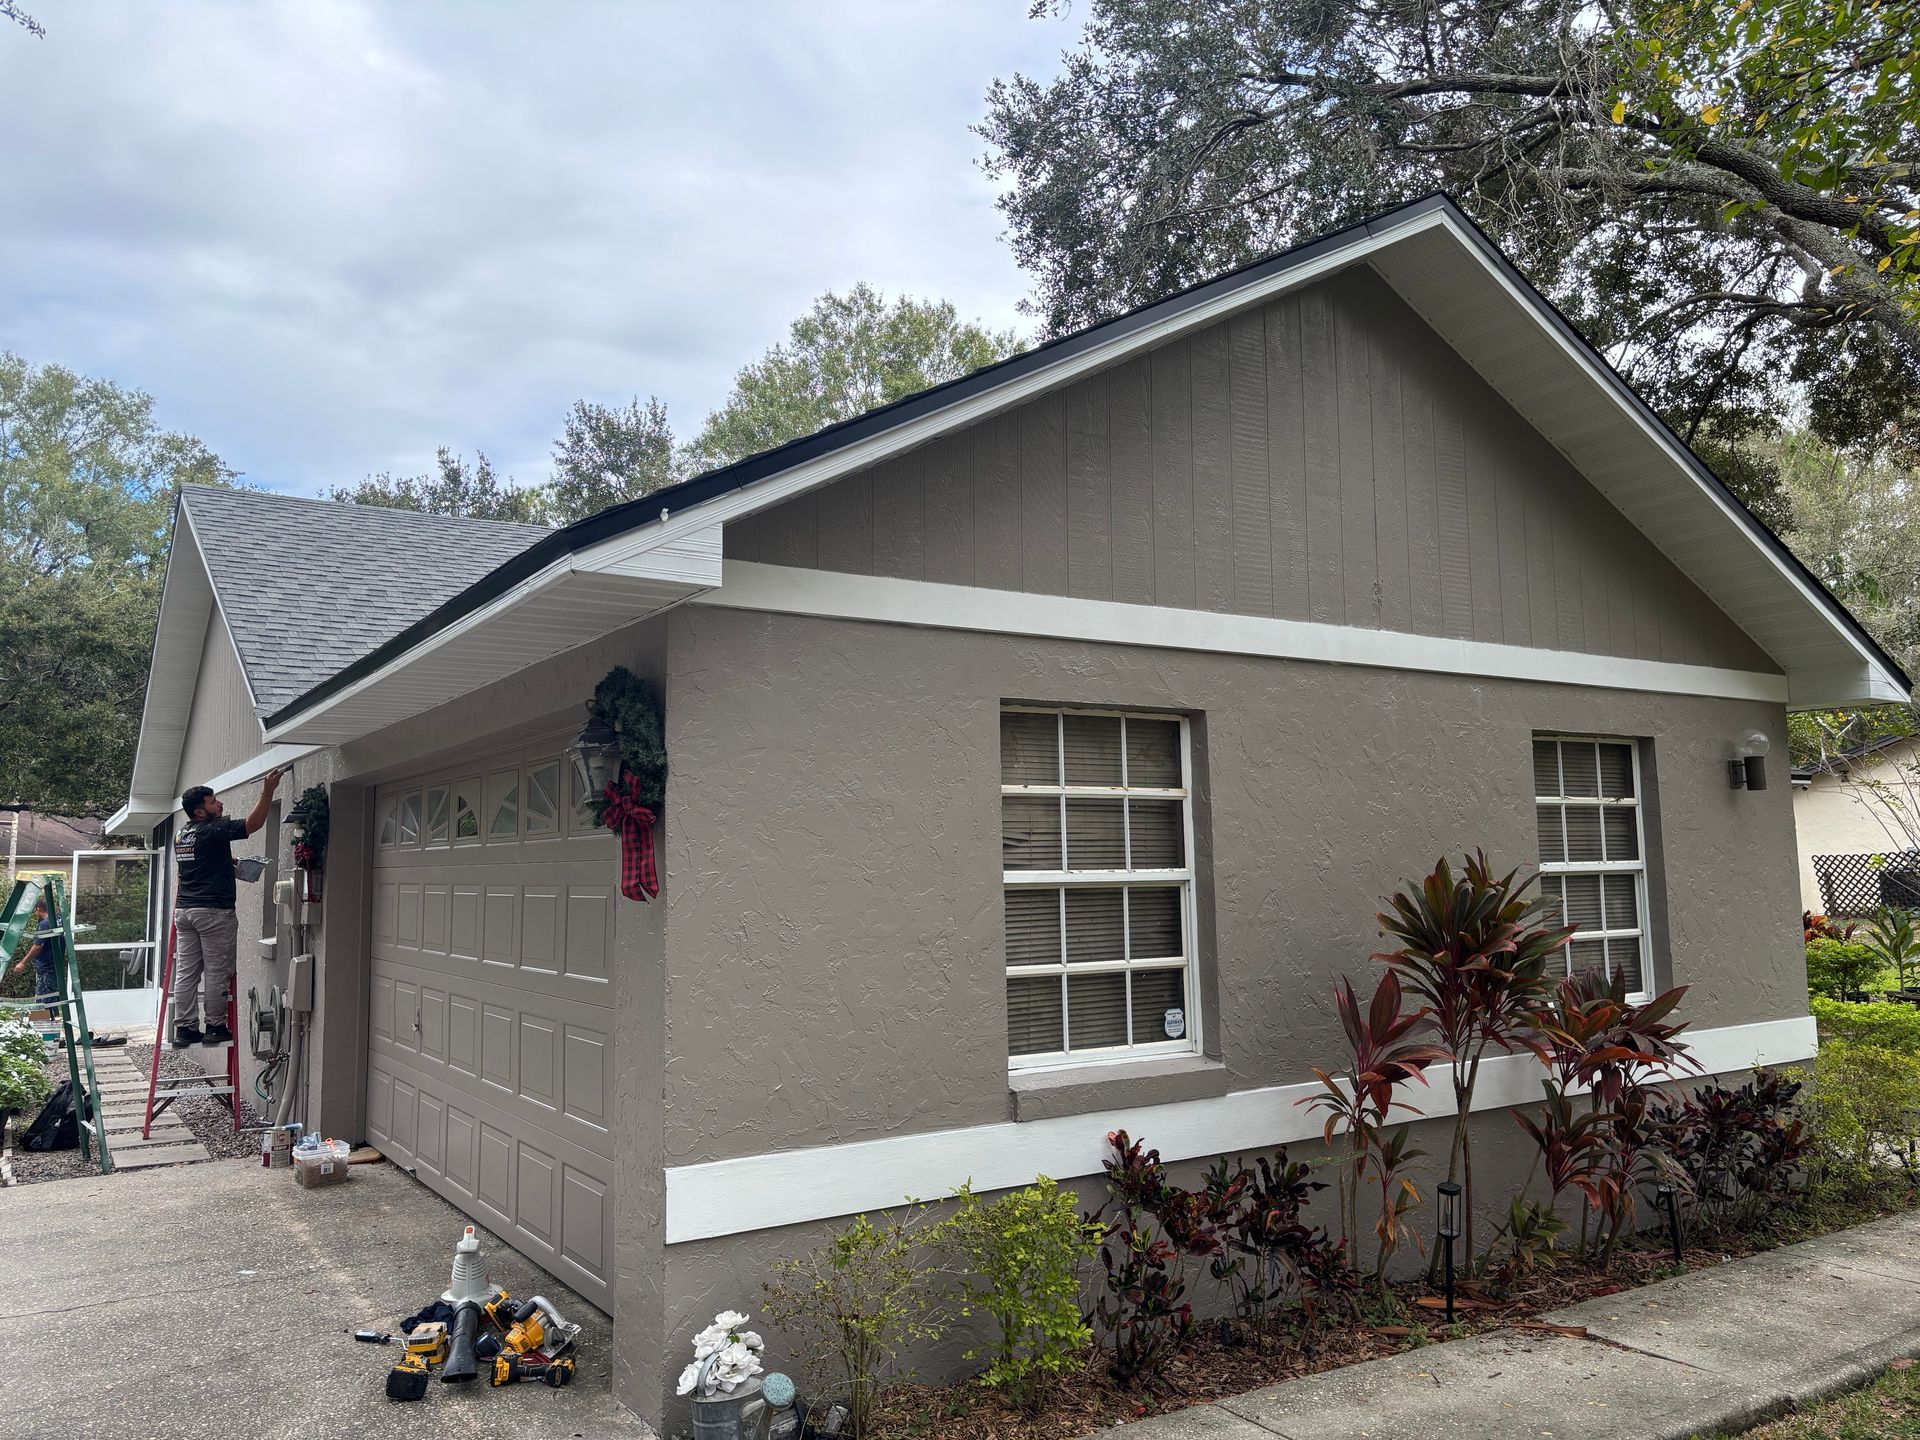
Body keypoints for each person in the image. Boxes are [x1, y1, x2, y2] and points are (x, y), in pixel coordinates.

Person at [172, 769, 282, 1048]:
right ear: (199, 812)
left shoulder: (182, 835)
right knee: (216, 971)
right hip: (213, 913)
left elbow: (200, 861)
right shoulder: (213, 829)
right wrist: (268, 791)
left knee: (187, 972)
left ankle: (184, 1029)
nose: (219, 804)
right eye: (213, 802)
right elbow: (252, 824)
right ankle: (215, 1027)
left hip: (185, 912)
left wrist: (226, 862)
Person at [7, 893, 63, 1010]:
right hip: (56, 964)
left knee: (44, 1000)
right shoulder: (59, 920)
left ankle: (47, 1022)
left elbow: (38, 946)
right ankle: (52, 1019)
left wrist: (22, 962)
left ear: (38, 909)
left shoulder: (44, 924)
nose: (35, 914)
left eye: (35, 911)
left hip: (46, 967)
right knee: (52, 997)